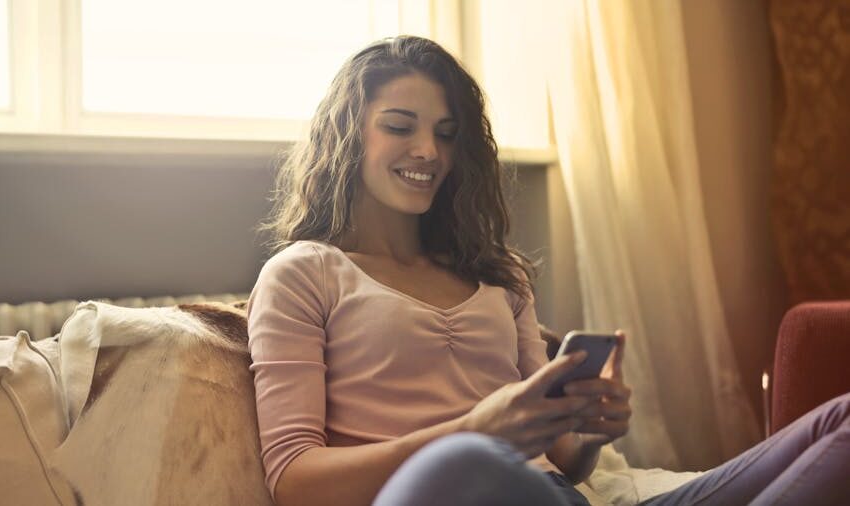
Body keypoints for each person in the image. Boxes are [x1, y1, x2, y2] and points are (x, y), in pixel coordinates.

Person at [247, 36, 849, 506]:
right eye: (400, 127)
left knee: (842, 416)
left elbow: (559, 459)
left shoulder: (497, 276)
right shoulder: (304, 274)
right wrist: (474, 431)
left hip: (551, 496)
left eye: (446, 134)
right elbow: (295, 484)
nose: (428, 152)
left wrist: (586, 429)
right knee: (468, 462)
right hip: (444, 490)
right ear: (349, 135)